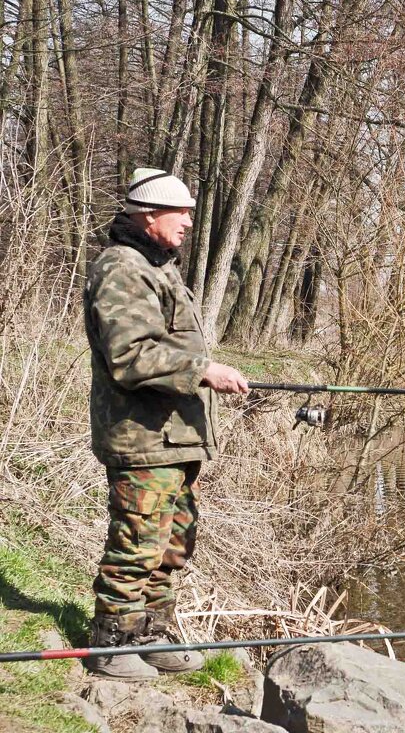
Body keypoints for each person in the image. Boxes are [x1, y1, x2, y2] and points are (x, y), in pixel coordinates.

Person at [81, 168, 249, 680]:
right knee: (137, 542)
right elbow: (129, 355)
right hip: (141, 436)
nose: (189, 223)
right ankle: (111, 640)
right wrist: (204, 370)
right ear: (149, 214)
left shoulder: (160, 266)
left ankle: (151, 633)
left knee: (173, 542)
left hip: (175, 437)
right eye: (182, 213)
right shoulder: (122, 268)